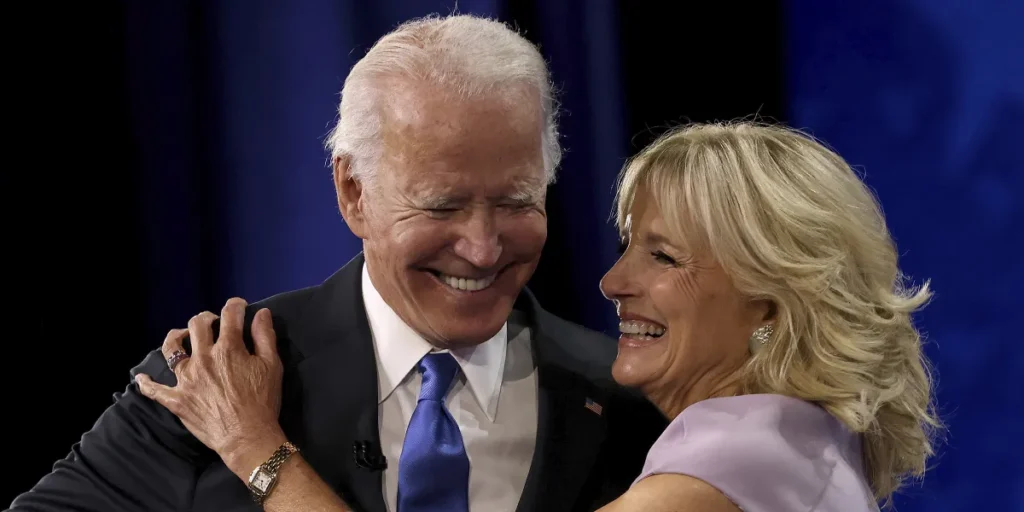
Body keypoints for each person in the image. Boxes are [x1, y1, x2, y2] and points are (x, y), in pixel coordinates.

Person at [9, 14, 666, 512]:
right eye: (442, 206)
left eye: (516, 201)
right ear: (354, 192)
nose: (483, 246)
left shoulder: (626, 402)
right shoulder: (217, 375)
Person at [123, 121, 943, 512]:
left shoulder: (737, 451)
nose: (612, 280)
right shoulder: (806, 436)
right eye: (628, 246)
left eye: (662, 257)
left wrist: (257, 450)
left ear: (770, 289)